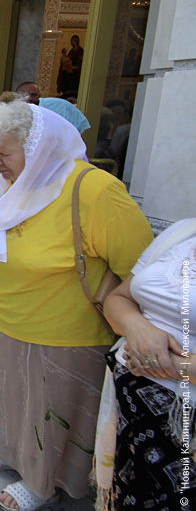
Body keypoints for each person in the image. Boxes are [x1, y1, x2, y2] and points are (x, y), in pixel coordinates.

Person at [0, 100, 153, 511]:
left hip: (63, 333)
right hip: (7, 318)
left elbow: (142, 269)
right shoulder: (11, 180)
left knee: (49, 412)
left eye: (4, 153)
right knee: (10, 395)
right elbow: (0, 236)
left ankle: (43, 481)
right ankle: (9, 450)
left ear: (40, 148)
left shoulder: (94, 191)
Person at [99, 219, 196, 511]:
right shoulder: (183, 231)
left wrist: (167, 363)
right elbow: (119, 298)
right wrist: (136, 326)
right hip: (132, 412)